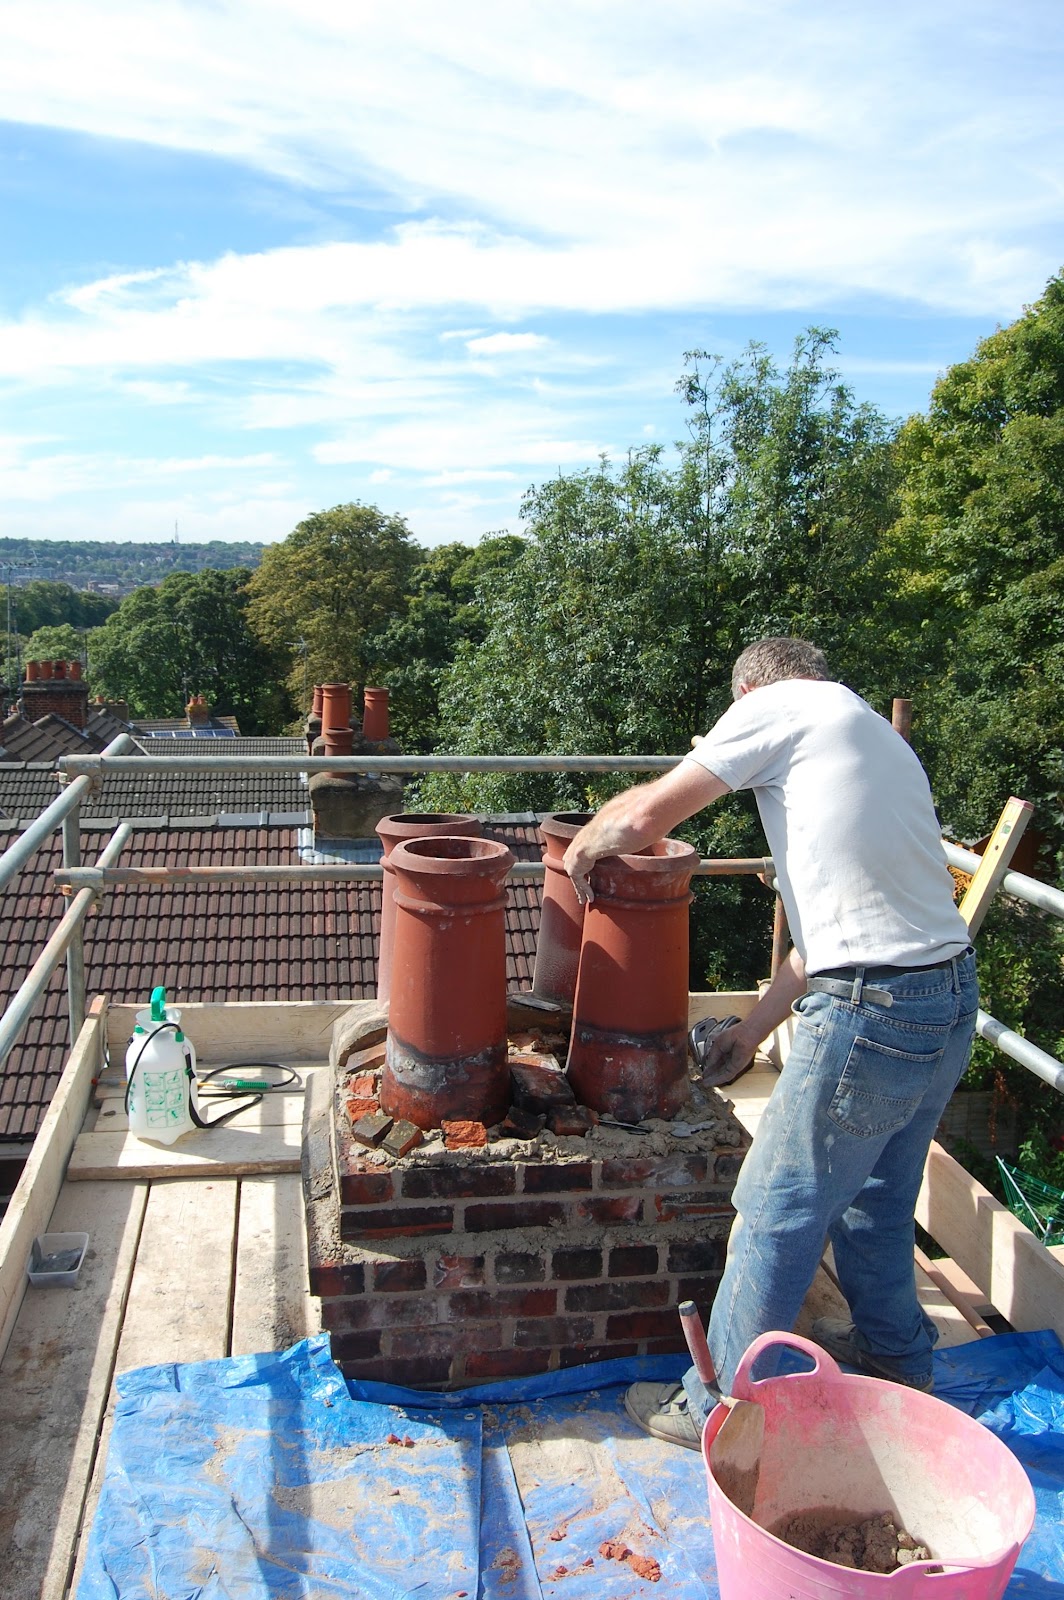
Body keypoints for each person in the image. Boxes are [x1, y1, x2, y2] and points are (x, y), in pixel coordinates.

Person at [562, 637, 977, 1450]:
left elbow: (646, 815)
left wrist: (584, 846)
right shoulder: (866, 732)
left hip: (874, 1009)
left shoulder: (781, 707)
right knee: (876, 1204)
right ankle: (899, 1362)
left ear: (750, 689)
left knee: (774, 1210)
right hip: (947, 995)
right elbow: (826, 938)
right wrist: (752, 1031)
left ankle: (715, 1407)